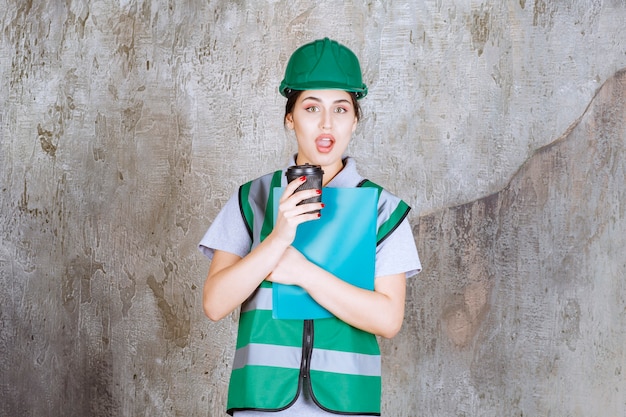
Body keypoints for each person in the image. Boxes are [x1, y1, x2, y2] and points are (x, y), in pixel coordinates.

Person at [199, 37, 421, 416]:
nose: (326, 123)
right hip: (261, 401)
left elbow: (387, 319)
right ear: (290, 117)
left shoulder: (383, 209)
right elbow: (215, 303)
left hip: (347, 401)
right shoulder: (252, 198)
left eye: (340, 108)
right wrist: (277, 239)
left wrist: (303, 272)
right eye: (311, 107)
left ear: (355, 119)